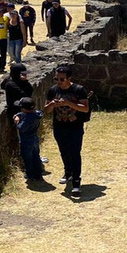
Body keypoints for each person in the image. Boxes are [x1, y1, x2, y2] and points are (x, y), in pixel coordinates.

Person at [44, 64, 90, 196]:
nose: (59, 82)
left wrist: (68, 103)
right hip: (59, 127)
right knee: (64, 152)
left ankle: (76, 181)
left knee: (75, 153)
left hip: (75, 127)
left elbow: (85, 108)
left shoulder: (79, 90)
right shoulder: (53, 90)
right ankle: (68, 171)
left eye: (62, 79)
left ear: (69, 78)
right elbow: (46, 110)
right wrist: (52, 104)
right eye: (56, 79)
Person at [14, 96, 45, 182]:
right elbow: (25, 114)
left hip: (26, 140)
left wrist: (17, 122)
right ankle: (38, 174)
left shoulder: (28, 118)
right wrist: (18, 115)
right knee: (36, 156)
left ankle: (30, 174)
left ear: (24, 109)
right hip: (34, 138)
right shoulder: (36, 114)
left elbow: (21, 128)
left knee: (28, 158)